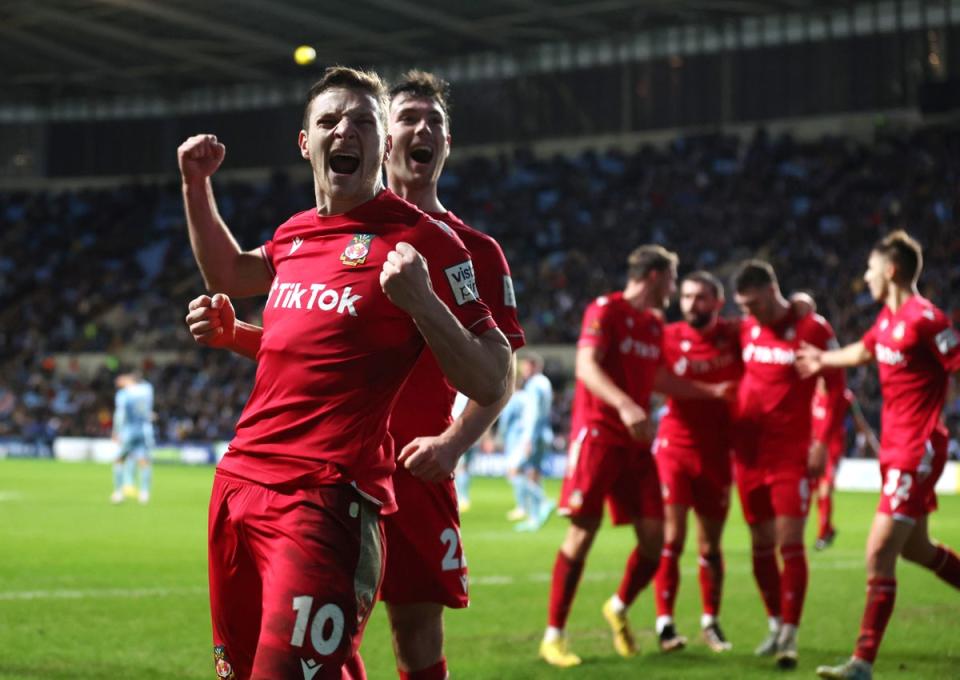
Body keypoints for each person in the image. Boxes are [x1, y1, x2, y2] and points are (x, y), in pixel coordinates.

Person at [177, 66, 511, 680]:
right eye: (328, 121)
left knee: (399, 636)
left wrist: (424, 303)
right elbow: (228, 275)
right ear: (305, 143)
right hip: (238, 484)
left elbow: (494, 375)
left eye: (362, 122)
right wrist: (196, 183)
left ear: (382, 144)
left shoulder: (429, 243)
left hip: (327, 497)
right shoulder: (295, 235)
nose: (344, 132)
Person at [539, 245, 732, 667]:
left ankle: (619, 605)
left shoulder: (652, 324)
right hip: (599, 437)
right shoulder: (605, 310)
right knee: (582, 533)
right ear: (655, 276)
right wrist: (626, 405)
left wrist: (710, 392)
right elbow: (587, 367)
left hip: (637, 446)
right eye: (673, 279)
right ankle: (554, 635)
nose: (676, 288)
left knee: (654, 541)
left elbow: (660, 377)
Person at [795, 231, 960, 680]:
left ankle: (862, 663)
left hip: (916, 448)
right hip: (894, 446)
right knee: (918, 550)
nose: (864, 277)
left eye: (870, 269)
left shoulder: (926, 319)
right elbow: (864, 351)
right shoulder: (887, 320)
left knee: (879, 552)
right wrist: (821, 361)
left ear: (891, 271)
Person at [731, 259, 846, 669]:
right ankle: (775, 623)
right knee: (760, 546)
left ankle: (791, 637)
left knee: (789, 543)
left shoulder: (813, 329)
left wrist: (822, 441)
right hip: (747, 455)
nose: (749, 313)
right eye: (743, 306)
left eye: (754, 303)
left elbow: (836, 386)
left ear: (772, 290)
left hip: (791, 454)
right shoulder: (745, 328)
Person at [651, 271, 741, 653]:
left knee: (711, 546)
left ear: (718, 302)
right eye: (686, 296)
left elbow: (776, 321)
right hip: (675, 448)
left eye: (701, 297)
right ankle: (665, 624)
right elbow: (656, 379)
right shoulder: (668, 336)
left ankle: (710, 620)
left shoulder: (736, 335)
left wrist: (802, 303)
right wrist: (712, 391)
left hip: (718, 454)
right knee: (672, 538)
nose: (690, 303)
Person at [810, 380, 879, 551]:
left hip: (832, 449)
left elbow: (859, 422)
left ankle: (823, 534)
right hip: (812, 448)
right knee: (817, 492)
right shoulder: (811, 393)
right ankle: (829, 529)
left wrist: (875, 447)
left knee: (825, 489)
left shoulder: (844, 396)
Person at [504, 352, 555, 530]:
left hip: (533, 435)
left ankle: (543, 501)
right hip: (544, 433)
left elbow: (533, 414)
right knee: (534, 473)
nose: (523, 370)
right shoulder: (546, 383)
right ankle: (534, 519)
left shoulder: (534, 385)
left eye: (525, 366)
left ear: (533, 366)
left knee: (513, 470)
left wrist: (527, 439)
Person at [110, 371, 154, 504]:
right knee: (144, 461)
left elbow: (120, 414)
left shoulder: (124, 394)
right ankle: (144, 493)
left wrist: (116, 431)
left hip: (128, 431)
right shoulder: (147, 390)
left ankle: (118, 493)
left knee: (119, 459)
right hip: (144, 430)